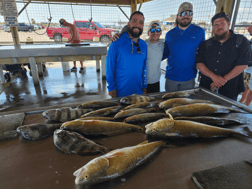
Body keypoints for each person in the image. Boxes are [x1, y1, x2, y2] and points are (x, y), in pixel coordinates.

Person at [196, 12, 251, 100]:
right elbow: (199, 63)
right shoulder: (206, 44)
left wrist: (222, 80)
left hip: (231, 89)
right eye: (216, 25)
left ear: (228, 24)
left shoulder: (241, 41)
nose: (219, 27)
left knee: (227, 112)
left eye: (222, 23)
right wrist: (214, 77)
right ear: (213, 27)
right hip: (207, 87)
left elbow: (243, 64)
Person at [163, 2, 205, 92]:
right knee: (169, 103)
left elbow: (203, 54)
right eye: (182, 13)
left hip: (189, 78)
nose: (186, 16)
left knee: (186, 104)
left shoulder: (199, 32)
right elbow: (164, 53)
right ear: (177, 16)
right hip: (171, 77)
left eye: (189, 13)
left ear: (192, 16)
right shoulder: (169, 34)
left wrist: (202, 72)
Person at [112, 20, 164, 93]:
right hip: (142, 83)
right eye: (152, 30)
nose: (155, 33)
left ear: (161, 32)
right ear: (148, 33)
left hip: (156, 81)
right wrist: (118, 36)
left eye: (158, 30)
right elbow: (129, 47)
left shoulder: (163, 45)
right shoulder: (143, 45)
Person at [106, 11, 148, 98]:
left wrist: (144, 86)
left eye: (141, 22)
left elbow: (145, 67)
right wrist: (111, 87)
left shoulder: (144, 45)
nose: (137, 25)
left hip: (139, 92)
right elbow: (109, 67)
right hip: (120, 93)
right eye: (134, 21)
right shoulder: (116, 42)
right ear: (129, 24)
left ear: (143, 26)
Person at [239, 25, 252, 106]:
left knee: (246, 88)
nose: (248, 29)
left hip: (249, 69)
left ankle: (244, 104)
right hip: (248, 69)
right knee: (247, 87)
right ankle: (244, 104)